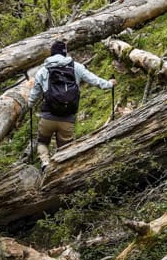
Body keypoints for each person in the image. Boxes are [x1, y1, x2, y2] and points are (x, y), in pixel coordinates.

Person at [29, 40, 116, 170]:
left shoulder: (43, 70)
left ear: (51, 53)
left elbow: (35, 93)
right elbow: (94, 80)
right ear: (65, 53)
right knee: (65, 148)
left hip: (48, 116)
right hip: (67, 117)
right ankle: (59, 169)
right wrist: (109, 84)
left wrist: (30, 103)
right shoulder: (76, 67)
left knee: (42, 142)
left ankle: (45, 162)